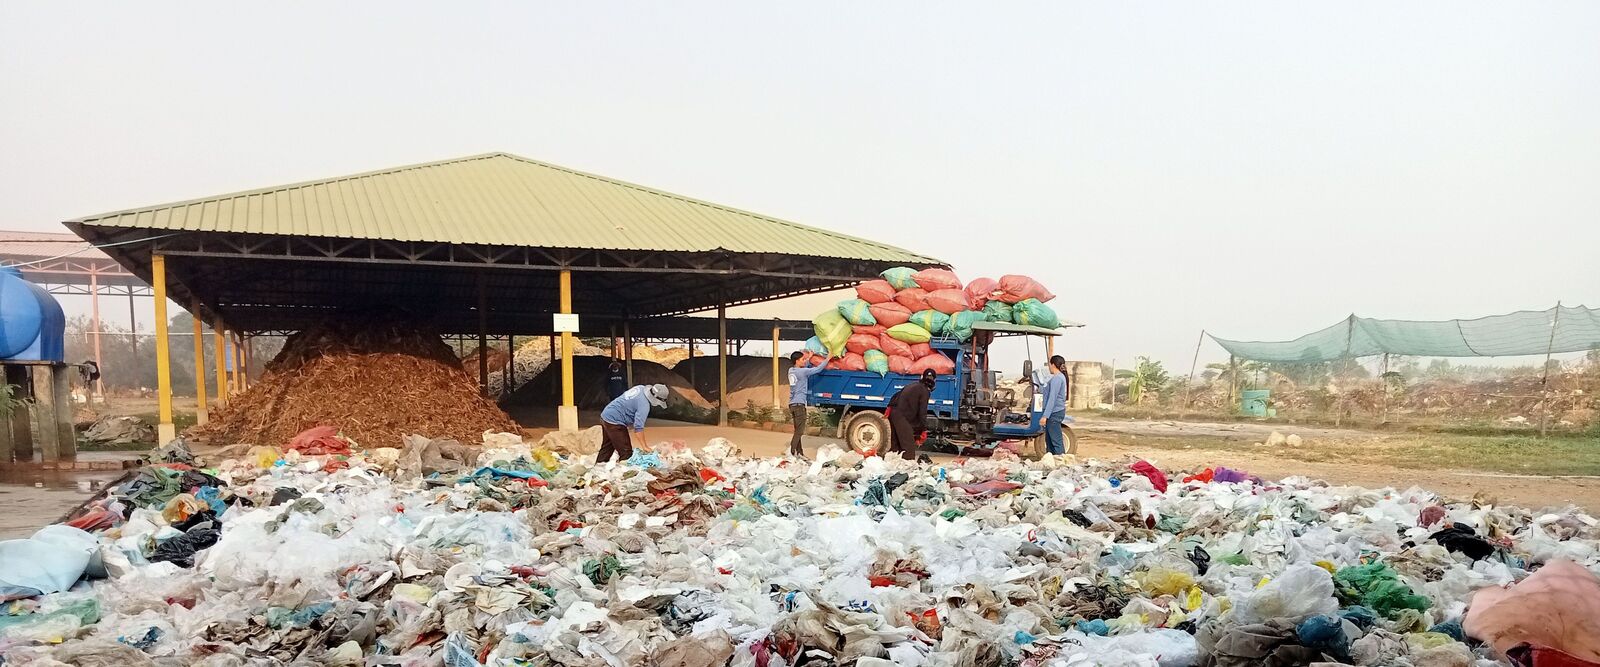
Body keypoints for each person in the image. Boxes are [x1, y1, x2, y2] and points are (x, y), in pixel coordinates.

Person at [597, 383, 668, 463]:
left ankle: (598, 468)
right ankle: (624, 472)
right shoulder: (644, 405)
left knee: (607, 447)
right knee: (626, 453)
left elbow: (629, 404)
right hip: (615, 422)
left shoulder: (640, 388)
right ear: (655, 399)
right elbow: (638, 428)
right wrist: (645, 446)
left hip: (606, 414)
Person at [786, 349, 831, 457]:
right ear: (797, 361)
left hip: (792, 404)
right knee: (800, 431)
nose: (804, 361)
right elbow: (818, 369)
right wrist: (828, 358)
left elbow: (804, 367)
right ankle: (792, 452)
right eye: (802, 359)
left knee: (797, 430)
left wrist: (809, 358)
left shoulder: (791, 370)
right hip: (799, 405)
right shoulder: (803, 372)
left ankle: (800, 452)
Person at [886, 369, 936, 460]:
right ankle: (906, 469)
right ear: (934, 381)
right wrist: (923, 430)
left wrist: (889, 408)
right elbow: (922, 412)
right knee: (908, 448)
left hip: (894, 413)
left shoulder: (913, 385)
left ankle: (890, 466)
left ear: (922, 377)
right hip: (901, 416)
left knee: (896, 446)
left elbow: (896, 395)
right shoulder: (925, 391)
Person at [1032, 355, 1070, 455]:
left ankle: (1060, 463)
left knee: (1056, 441)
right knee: (1049, 442)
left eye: (1050, 364)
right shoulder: (1058, 378)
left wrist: (1045, 416)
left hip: (1054, 413)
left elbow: (1052, 399)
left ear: (1053, 364)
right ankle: (1053, 462)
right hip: (1054, 412)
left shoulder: (1057, 379)